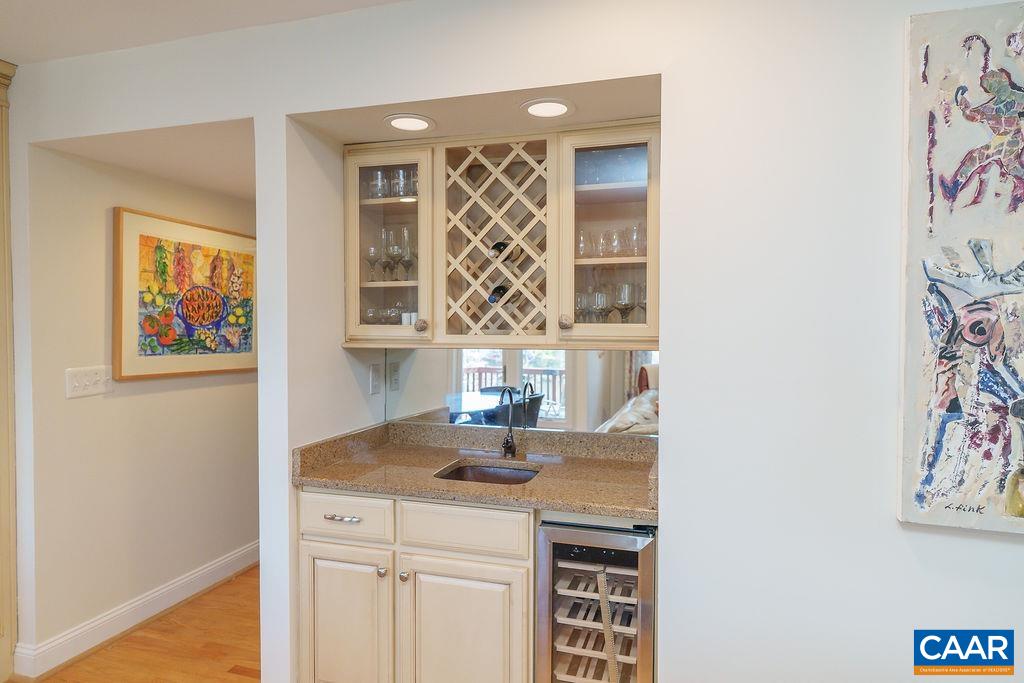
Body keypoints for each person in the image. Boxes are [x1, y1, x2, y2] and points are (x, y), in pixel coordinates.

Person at [939, 69, 1024, 212]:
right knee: (1009, 166)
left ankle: (954, 188)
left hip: (1011, 140)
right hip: (1002, 141)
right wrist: (963, 106)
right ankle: (953, 188)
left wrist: (965, 108)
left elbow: (972, 115)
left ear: (1005, 80)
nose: (995, 87)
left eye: (995, 82)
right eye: (991, 85)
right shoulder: (990, 107)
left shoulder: (1017, 98)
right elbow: (972, 115)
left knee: (1006, 165)